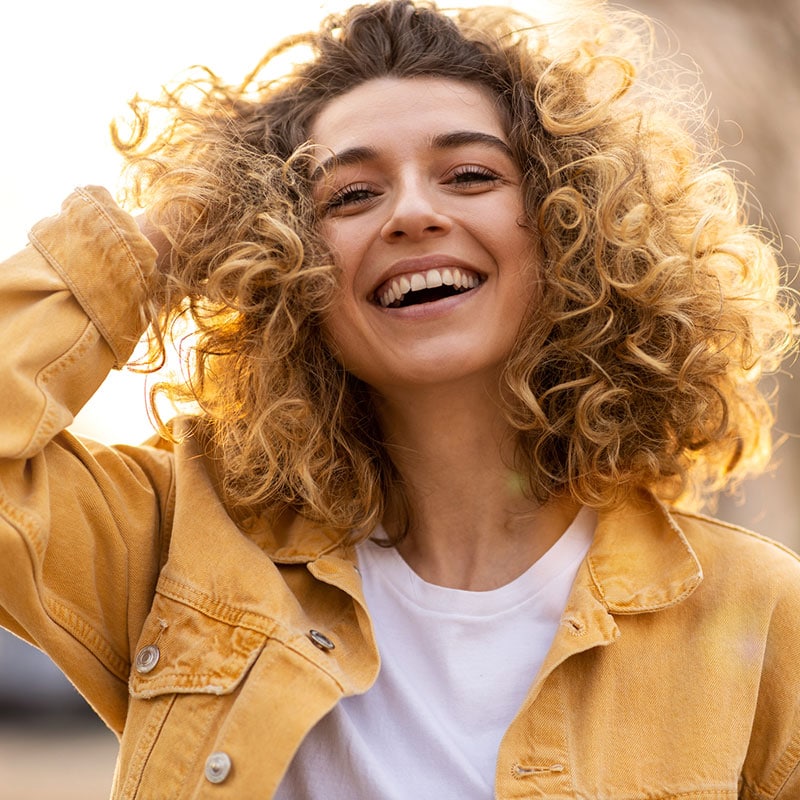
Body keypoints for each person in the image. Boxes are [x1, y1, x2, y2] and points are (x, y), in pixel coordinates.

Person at [1, 0, 799, 797]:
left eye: (471, 175)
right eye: (349, 196)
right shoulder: (181, 545)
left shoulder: (756, 612)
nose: (414, 213)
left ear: (572, 228)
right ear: (284, 259)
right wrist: (173, 233)